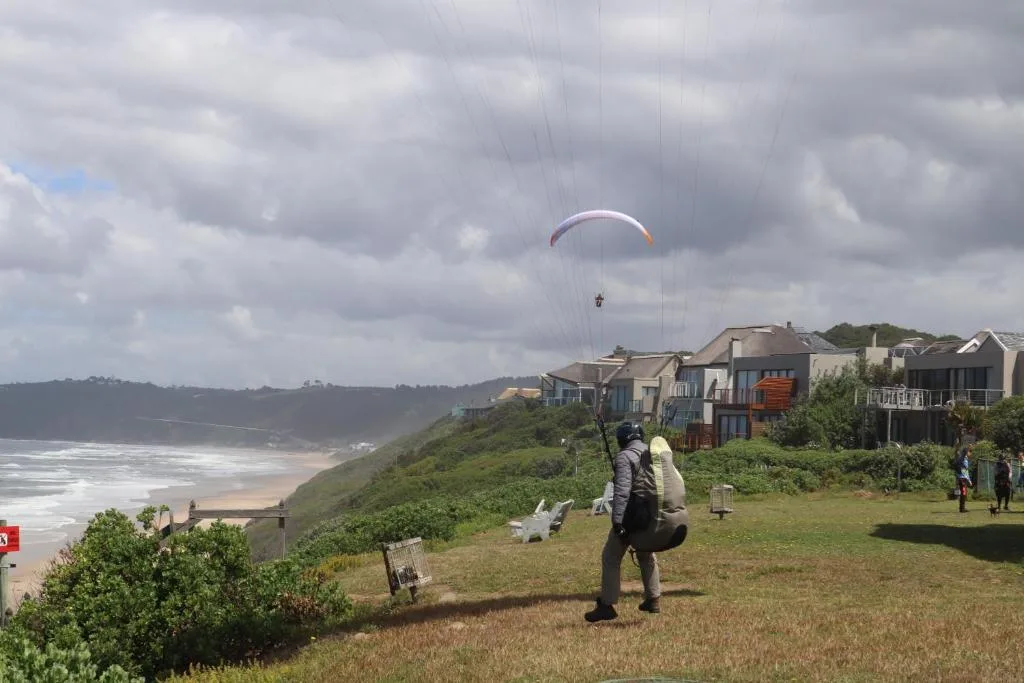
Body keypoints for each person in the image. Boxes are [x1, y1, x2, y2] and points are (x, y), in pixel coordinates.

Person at [585, 421, 661, 623]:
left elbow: (622, 492)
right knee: (646, 555)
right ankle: (653, 599)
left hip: (632, 517)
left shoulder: (625, 456)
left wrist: (618, 522)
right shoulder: (653, 453)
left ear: (622, 439)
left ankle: (607, 605)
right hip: (652, 514)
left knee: (610, 556)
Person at [955, 445, 972, 513]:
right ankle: (962, 509)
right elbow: (964, 471)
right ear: (966, 452)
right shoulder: (963, 459)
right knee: (964, 493)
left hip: (962, 478)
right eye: (968, 452)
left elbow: (964, 470)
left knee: (964, 493)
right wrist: (968, 480)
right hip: (962, 479)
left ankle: (962, 508)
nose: (970, 453)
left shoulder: (962, 458)